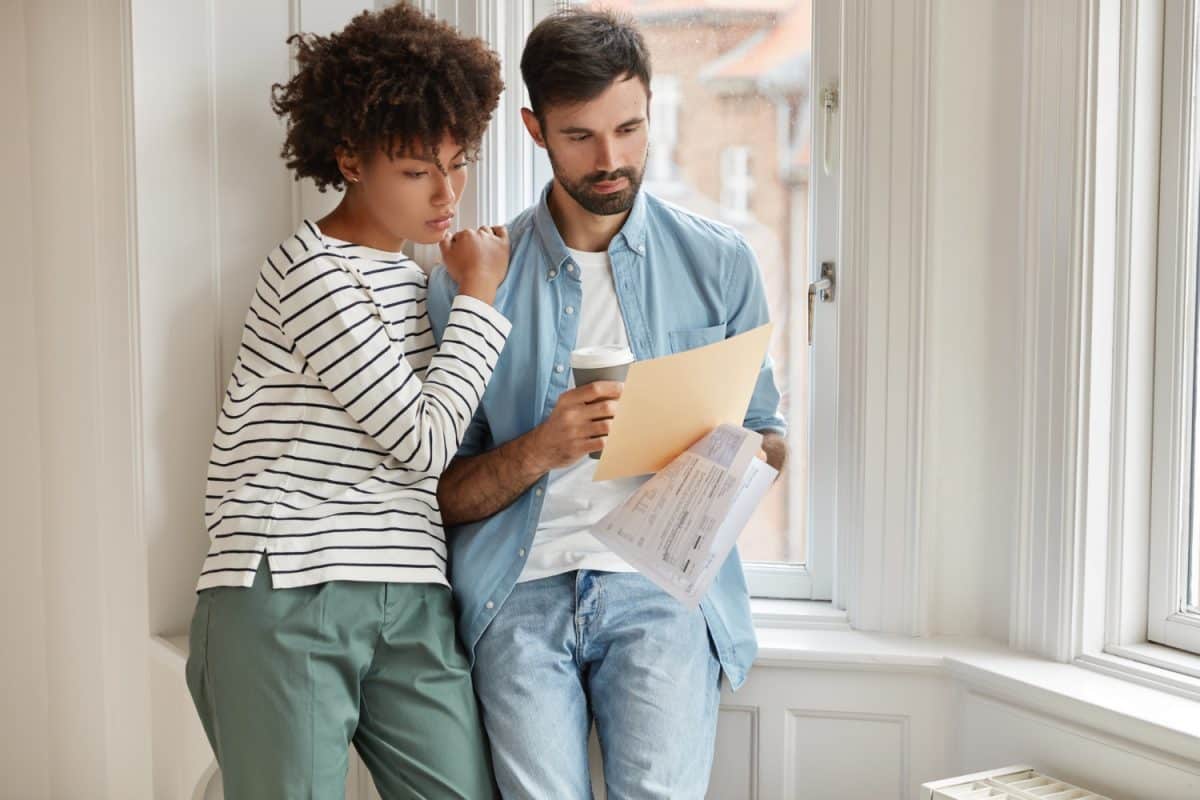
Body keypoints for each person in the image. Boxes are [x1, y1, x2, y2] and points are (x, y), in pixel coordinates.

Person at [426, 8, 788, 799]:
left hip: (659, 588)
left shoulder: (720, 263)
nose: (612, 159)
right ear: (535, 128)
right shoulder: (476, 279)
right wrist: (543, 447)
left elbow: (771, 437)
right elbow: (441, 493)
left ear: (652, 107)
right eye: (581, 135)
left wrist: (725, 454)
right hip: (517, 592)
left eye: (629, 128)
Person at [185, 5, 509, 797]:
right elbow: (422, 442)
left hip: (413, 590)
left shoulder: (421, 283)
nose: (446, 192)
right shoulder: (313, 273)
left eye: (456, 161)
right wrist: (481, 295)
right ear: (349, 159)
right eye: (416, 170)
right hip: (289, 583)